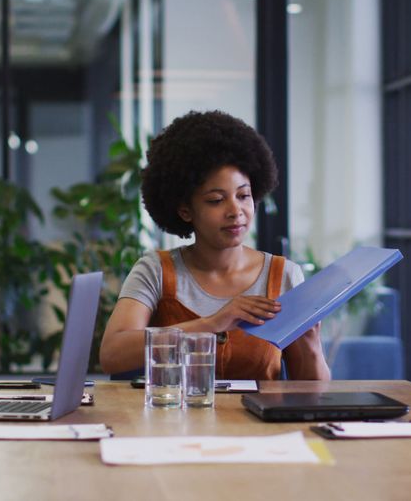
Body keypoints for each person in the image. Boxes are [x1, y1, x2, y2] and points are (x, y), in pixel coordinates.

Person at [100, 110, 330, 381]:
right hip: (171, 422)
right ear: (185, 210)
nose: (236, 211)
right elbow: (112, 354)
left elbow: (310, 393)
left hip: (257, 423)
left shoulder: (284, 276)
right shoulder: (156, 270)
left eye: (244, 195)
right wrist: (212, 324)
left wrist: (312, 346)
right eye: (216, 200)